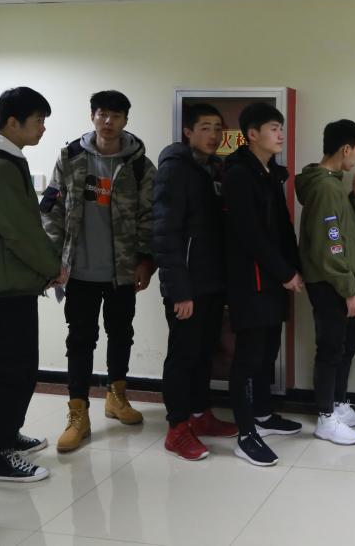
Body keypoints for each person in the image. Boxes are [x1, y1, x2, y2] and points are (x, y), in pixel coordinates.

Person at [42, 90, 156, 453]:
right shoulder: (71, 157)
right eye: (102, 114)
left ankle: (116, 396)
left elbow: (149, 217)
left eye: (116, 116)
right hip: (79, 271)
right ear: (92, 116)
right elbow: (52, 210)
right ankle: (78, 413)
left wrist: (145, 261)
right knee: (80, 340)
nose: (108, 122)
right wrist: (55, 259)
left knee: (121, 334)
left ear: (125, 121)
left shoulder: (139, 165)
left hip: (122, 271)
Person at [0, 87, 62, 482]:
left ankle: (9, 435)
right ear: (12, 122)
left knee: (21, 368)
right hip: (5, 286)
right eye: (38, 120)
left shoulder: (6, 161)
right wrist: (53, 267)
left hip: (15, 282)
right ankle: (0, 457)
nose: (43, 128)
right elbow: (22, 232)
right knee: (11, 371)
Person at [153, 103, 238, 461]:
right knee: (183, 356)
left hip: (212, 282)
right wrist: (179, 290)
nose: (213, 135)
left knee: (205, 353)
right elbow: (165, 232)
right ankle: (177, 428)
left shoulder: (213, 169)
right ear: (188, 131)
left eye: (218, 128)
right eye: (205, 127)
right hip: (187, 286)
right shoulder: (175, 169)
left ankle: (201, 415)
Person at [223, 102, 305, 466]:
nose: (280, 134)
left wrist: (295, 267)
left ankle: (262, 413)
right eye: (274, 128)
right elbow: (249, 233)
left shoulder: (270, 173)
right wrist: (285, 272)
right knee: (248, 357)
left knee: (268, 351)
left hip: (273, 280)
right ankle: (246, 434)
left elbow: (283, 228)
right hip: (250, 281)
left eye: (281, 128)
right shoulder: (239, 174)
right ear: (252, 134)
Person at [297, 120, 355, 446]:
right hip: (329, 281)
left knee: (348, 342)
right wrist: (348, 290)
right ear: (345, 149)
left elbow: (343, 228)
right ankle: (326, 417)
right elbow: (332, 244)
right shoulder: (325, 187)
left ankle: (338, 404)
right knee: (330, 347)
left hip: (338, 278)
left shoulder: (334, 184)